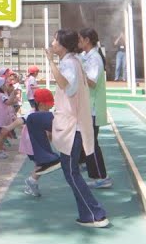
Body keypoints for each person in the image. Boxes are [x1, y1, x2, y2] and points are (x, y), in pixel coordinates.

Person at [46, 29, 110, 228]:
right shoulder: (73, 61)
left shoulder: (70, 64)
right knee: (71, 171)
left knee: (72, 172)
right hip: (73, 124)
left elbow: (67, 86)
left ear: (63, 45)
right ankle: (90, 212)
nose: (52, 43)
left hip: (74, 126)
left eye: (55, 40)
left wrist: (50, 62)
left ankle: (95, 213)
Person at [77, 27, 113, 190]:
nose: (77, 42)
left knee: (91, 143)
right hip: (86, 105)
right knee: (87, 142)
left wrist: (78, 72)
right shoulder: (86, 56)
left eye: (79, 39)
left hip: (92, 107)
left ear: (87, 40)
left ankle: (102, 176)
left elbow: (91, 82)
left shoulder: (95, 59)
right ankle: (86, 164)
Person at [10, 87, 59, 197]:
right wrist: (9, 127)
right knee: (43, 163)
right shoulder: (32, 114)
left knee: (42, 164)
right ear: (41, 104)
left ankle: (31, 184)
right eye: (49, 103)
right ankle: (31, 181)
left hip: (37, 143)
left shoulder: (46, 113)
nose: (52, 105)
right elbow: (20, 120)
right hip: (32, 143)